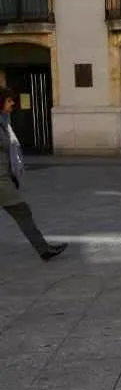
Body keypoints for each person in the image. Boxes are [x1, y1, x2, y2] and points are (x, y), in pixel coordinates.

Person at [0, 87, 67, 261]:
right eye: (8, 100)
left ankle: (43, 249)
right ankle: (43, 249)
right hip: (1, 179)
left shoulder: (4, 121)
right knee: (22, 210)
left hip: (5, 176)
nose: (12, 103)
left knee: (22, 211)